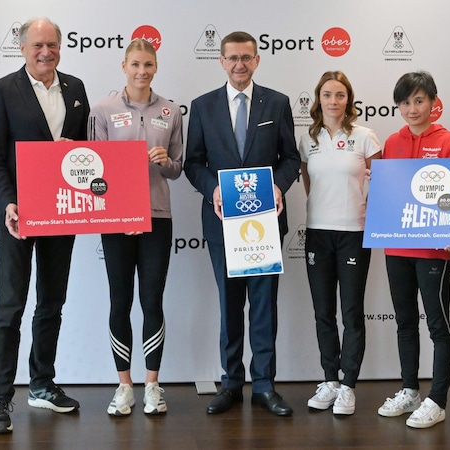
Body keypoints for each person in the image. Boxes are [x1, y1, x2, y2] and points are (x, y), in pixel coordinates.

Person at [184, 31, 301, 417]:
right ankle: (231, 382)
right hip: (221, 222)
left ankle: (265, 385)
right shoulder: (202, 106)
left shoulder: (278, 103)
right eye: (232, 57)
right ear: (221, 60)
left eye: (246, 57)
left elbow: (289, 159)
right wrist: (212, 189)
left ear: (257, 60)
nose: (239, 64)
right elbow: (193, 163)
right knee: (230, 305)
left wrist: (281, 186)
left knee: (264, 305)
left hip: (266, 221)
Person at [0, 17, 90, 434]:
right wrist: (7, 202)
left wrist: (76, 149)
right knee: (9, 307)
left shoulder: (76, 88)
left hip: (62, 210)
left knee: (51, 303)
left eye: (53, 44)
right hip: (18, 217)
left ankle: (42, 384)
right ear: (22, 48)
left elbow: (83, 154)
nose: (46, 52)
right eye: (38, 45)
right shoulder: (2, 90)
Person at [87, 39, 183, 417]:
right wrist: (120, 211)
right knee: (119, 302)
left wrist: (164, 161)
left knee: (152, 301)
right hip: (116, 220)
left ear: (156, 67)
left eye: (148, 65)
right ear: (124, 66)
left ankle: (152, 386)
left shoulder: (170, 111)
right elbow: (95, 169)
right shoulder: (103, 109)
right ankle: (124, 385)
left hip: (158, 218)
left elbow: (178, 168)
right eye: (136, 64)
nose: (142, 71)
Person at [376, 71, 450, 428]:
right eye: (405, 102)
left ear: (433, 102)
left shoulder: (449, 141)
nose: (413, 108)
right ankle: (410, 390)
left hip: (433, 251)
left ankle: (437, 400)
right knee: (405, 322)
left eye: (420, 100)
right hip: (395, 247)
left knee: (438, 326)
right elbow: (389, 195)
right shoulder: (391, 143)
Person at [299, 71, 381, 415]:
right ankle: (330, 380)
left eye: (340, 95)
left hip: (354, 234)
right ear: (319, 99)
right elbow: (307, 182)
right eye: (327, 95)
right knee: (323, 312)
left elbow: (379, 185)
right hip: (318, 232)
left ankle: (348, 386)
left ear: (349, 100)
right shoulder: (308, 139)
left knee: (351, 312)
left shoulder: (365, 137)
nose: (333, 101)